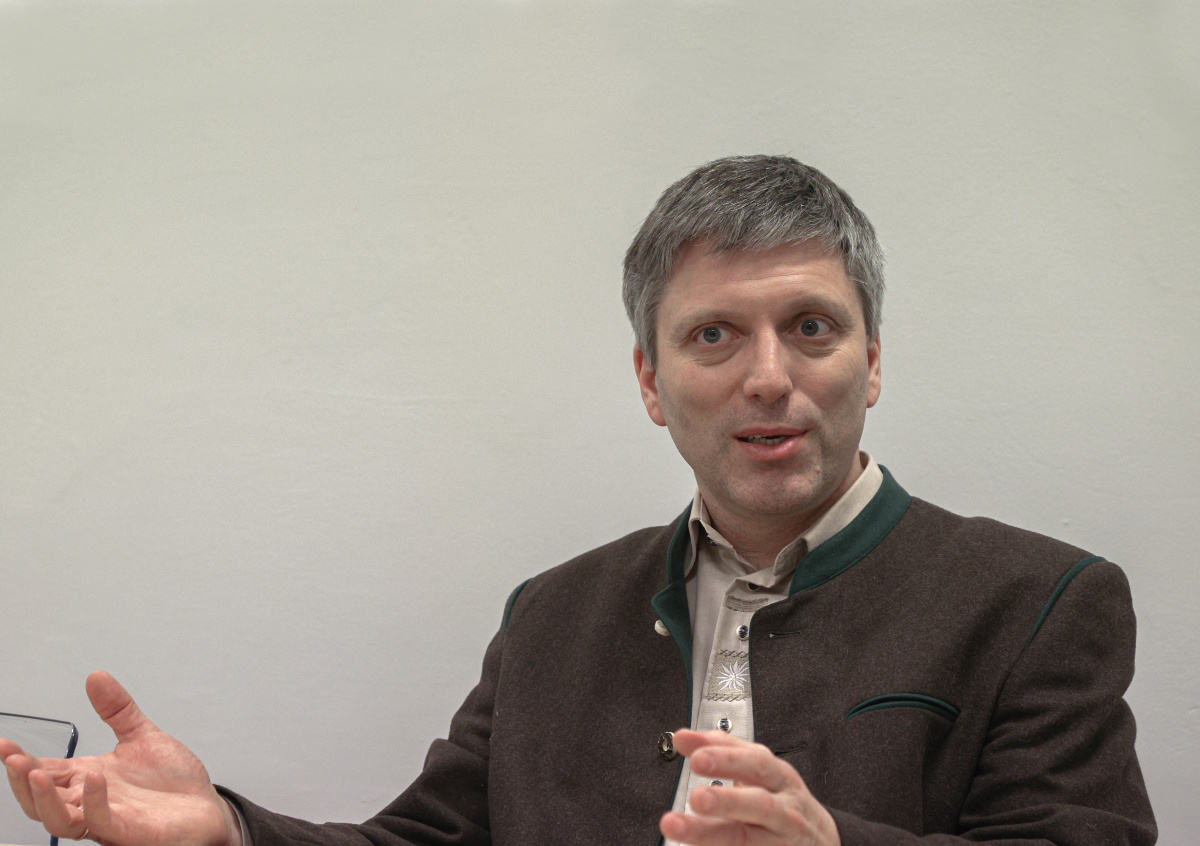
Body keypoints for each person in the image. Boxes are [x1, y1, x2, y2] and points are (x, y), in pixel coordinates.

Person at [2, 155, 1156, 846]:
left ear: (875, 359)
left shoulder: (1039, 601)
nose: (768, 376)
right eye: (714, 335)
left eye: (811, 326)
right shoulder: (551, 614)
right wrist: (225, 831)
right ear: (651, 382)